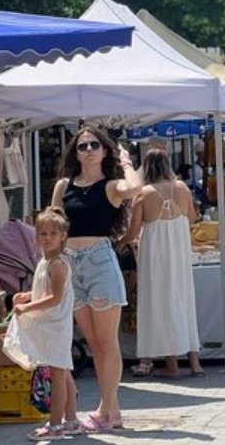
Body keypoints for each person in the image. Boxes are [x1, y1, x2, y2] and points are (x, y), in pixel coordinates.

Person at [50, 126, 141, 433]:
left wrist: (126, 161)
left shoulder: (112, 186)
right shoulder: (64, 186)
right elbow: (53, 224)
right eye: (81, 145)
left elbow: (136, 188)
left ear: (104, 151)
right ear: (75, 153)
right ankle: (111, 412)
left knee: (106, 341)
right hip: (70, 263)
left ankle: (106, 407)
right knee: (93, 342)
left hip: (100, 260)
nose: (88, 149)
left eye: (94, 145)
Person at [124, 149, 204, 379]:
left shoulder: (144, 193)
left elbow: (133, 231)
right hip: (179, 254)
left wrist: (119, 242)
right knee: (184, 302)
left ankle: (172, 364)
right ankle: (195, 363)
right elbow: (192, 218)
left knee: (159, 304)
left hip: (154, 257)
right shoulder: (182, 188)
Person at [5, 207, 81, 441]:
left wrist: (27, 307)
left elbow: (55, 297)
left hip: (55, 324)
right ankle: (72, 420)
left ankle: (56, 424)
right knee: (62, 369)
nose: (47, 239)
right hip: (51, 323)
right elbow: (44, 291)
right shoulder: (44, 261)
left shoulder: (57, 264)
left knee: (58, 376)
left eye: (52, 234)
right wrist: (27, 296)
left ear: (62, 237)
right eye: (42, 234)